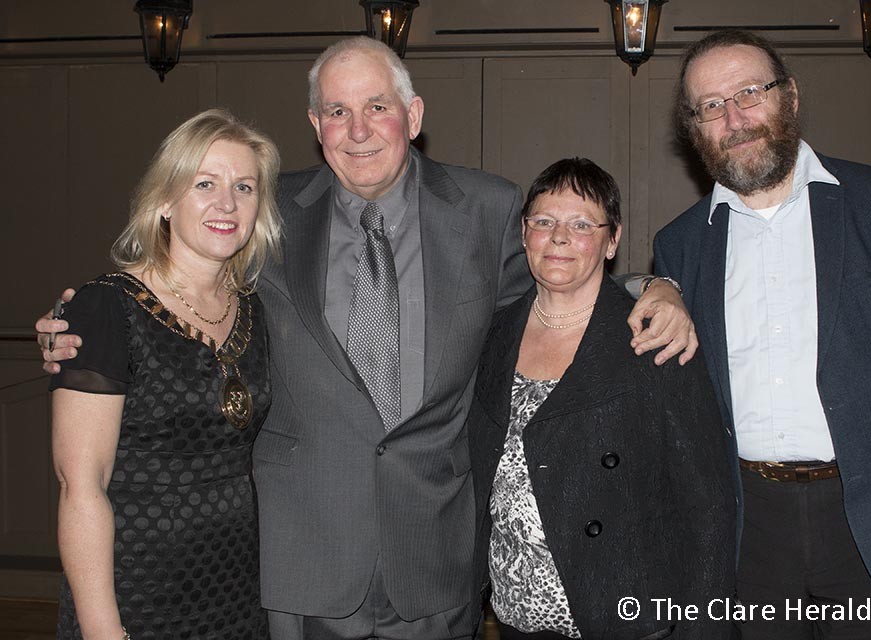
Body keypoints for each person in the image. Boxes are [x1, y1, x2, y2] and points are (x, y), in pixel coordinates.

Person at [39, 37, 695, 639]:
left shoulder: (487, 209)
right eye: (336, 111)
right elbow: (181, 284)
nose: (357, 131)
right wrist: (83, 325)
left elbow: (561, 279)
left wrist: (649, 287)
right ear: (314, 125)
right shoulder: (264, 217)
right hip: (300, 564)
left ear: (412, 116)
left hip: (435, 560)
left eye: (376, 107)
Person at [653, 30, 871, 639]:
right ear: (694, 129)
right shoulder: (681, 243)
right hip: (749, 524)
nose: (736, 118)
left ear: (790, 97)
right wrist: (650, 282)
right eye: (712, 106)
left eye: (750, 92)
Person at [467, 158, 736, 640]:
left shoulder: (655, 337)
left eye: (581, 224)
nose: (559, 237)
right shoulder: (494, 333)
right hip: (514, 616)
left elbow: (708, 500)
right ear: (524, 234)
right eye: (543, 222)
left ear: (612, 240)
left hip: (623, 616)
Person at [49, 108, 281, 639]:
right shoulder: (106, 309)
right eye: (205, 183)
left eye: (244, 187)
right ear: (163, 201)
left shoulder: (254, 308)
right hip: (137, 593)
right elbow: (80, 487)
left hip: (238, 593)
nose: (227, 203)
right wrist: (104, 631)